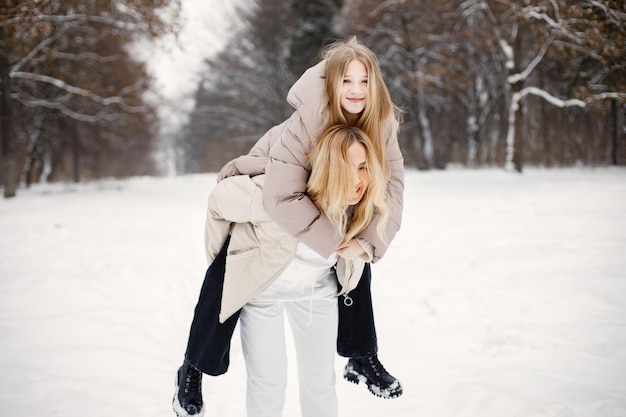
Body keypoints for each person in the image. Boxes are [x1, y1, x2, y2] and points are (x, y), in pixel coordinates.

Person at [174, 36, 404, 417]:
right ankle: (193, 367)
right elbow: (280, 196)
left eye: (364, 81)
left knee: (360, 249)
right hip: (271, 178)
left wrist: (366, 242)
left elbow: (392, 187)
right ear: (332, 83)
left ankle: (362, 354)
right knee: (229, 268)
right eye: (347, 80)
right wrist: (336, 241)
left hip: (323, 241)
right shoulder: (309, 118)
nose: (357, 91)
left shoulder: (380, 123)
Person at [184, 125, 387, 417]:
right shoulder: (275, 197)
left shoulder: (362, 206)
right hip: (264, 295)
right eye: (347, 168)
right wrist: (227, 263)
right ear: (328, 168)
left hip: (318, 294)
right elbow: (219, 201)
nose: (358, 179)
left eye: (364, 167)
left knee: (320, 383)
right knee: (268, 383)